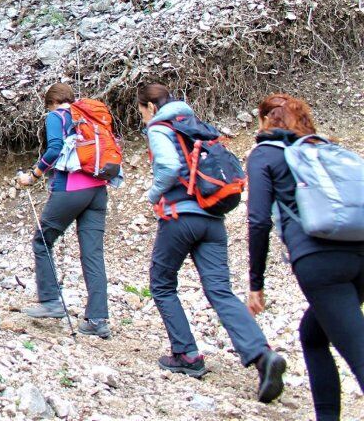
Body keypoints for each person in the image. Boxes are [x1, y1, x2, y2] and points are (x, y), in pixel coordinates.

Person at [138, 82, 285, 402]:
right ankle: (262, 356)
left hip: (180, 218)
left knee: (161, 284)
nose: (143, 117)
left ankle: (186, 355)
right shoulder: (196, 125)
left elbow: (169, 166)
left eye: (142, 111)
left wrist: (152, 196)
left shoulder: (160, 128)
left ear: (151, 107)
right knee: (219, 289)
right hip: (213, 219)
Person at [246, 94, 364, 421]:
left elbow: (258, 220)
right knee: (312, 334)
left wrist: (256, 283)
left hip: (321, 266)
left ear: (265, 120)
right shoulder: (322, 147)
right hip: (359, 253)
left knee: (359, 354)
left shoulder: (265, 155)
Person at [17, 83, 112, 338]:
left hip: (71, 188)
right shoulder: (88, 116)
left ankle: (51, 301)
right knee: (93, 252)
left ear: (51, 102)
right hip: (98, 188)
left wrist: (34, 175)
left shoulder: (56, 116)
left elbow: (55, 148)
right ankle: (97, 319)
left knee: (42, 240)